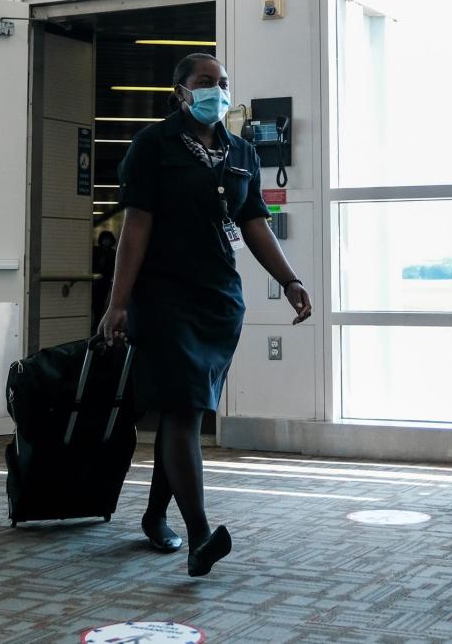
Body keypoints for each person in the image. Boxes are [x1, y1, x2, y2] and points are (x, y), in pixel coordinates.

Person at [96, 53, 312, 578]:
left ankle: (154, 517)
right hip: (163, 296)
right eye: (204, 83)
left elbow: (255, 221)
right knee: (186, 408)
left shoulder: (240, 150)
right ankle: (198, 535)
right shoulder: (154, 145)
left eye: (223, 83)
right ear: (181, 93)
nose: (216, 90)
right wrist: (118, 302)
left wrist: (289, 280)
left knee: (183, 411)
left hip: (218, 301)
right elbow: (136, 227)